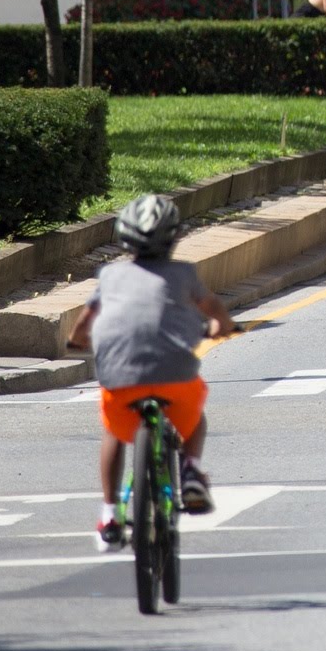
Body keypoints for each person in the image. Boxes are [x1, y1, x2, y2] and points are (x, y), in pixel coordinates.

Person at [78, 194, 238, 540]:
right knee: (195, 419)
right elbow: (211, 307)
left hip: (120, 381)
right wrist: (223, 324)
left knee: (113, 434)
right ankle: (192, 471)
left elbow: (85, 320)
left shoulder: (110, 275)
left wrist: (76, 341)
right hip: (176, 378)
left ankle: (109, 513)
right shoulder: (184, 274)